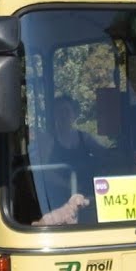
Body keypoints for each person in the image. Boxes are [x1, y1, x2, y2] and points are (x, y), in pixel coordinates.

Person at [30, 96, 103, 225]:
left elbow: (104, 156)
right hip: (57, 197)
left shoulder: (84, 138)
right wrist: (68, 185)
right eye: (59, 112)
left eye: (67, 111)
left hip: (86, 192)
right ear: (54, 116)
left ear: (74, 114)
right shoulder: (48, 140)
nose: (64, 116)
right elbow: (43, 172)